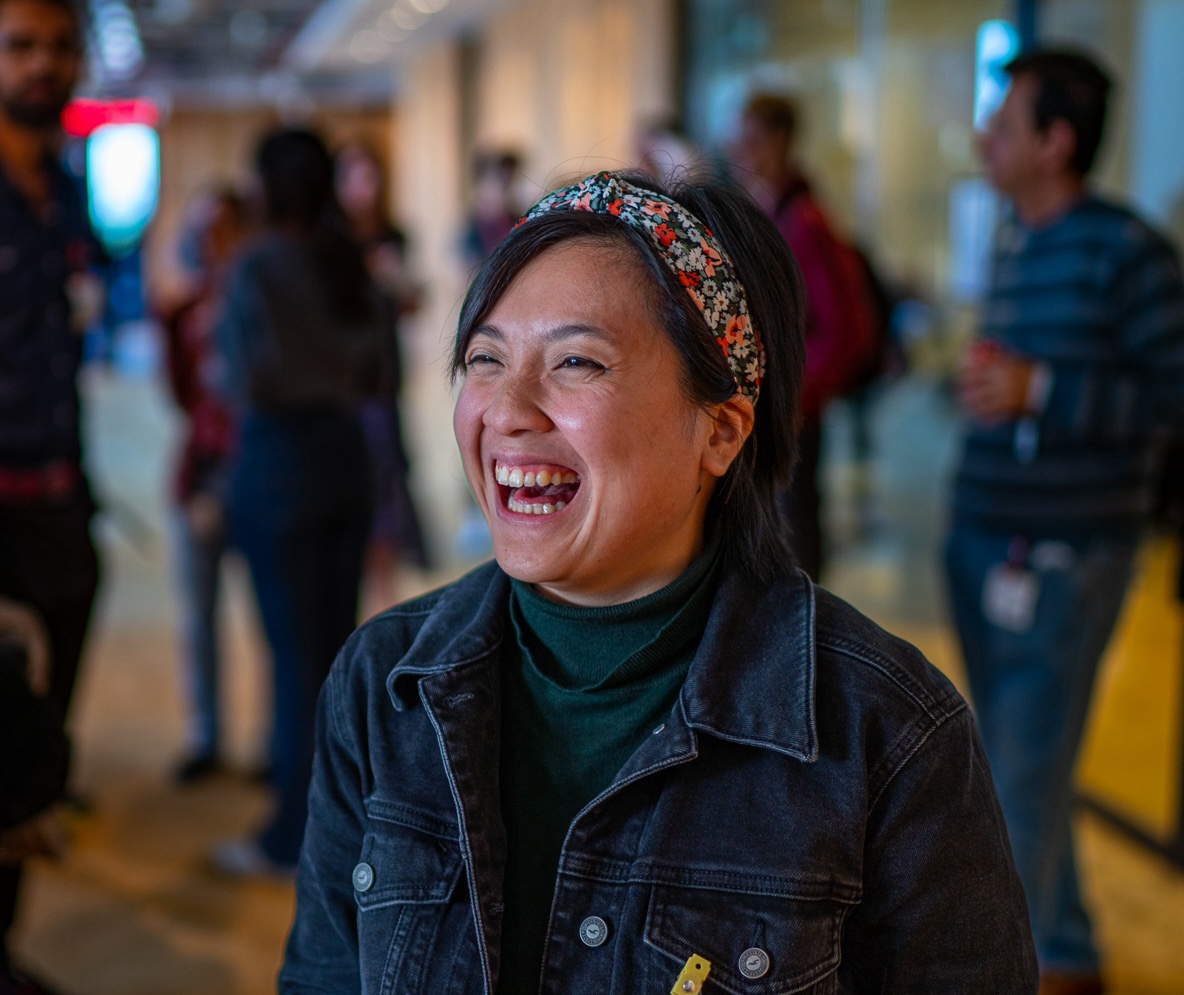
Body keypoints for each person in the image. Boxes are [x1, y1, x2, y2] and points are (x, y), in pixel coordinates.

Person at [280, 170, 1037, 993]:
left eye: (576, 361)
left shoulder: (887, 733)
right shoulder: (384, 685)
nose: (507, 409)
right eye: (485, 358)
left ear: (720, 430)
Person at [945, 50, 1184, 995]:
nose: (984, 139)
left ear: (1057, 141)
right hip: (984, 538)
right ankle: (1072, 951)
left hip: (1070, 552)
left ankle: (1001, 971)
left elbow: (1174, 399)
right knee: (1018, 767)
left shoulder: (1126, 250)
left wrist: (1041, 388)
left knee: (1015, 783)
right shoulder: (1019, 242)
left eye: (1004, 124)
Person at [210, 128, 387, 877]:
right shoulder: (349, 258)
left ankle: (291, 836)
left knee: (293, 658)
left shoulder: (255, 263)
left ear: (267, 186)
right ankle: (333, 822)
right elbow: (384, 371)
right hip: (347, 457)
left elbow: (241, 379)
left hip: (278, 461)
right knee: (333, 655)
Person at [0, 0, 99, 989]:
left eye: (61, 47)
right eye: (20, 45)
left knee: (34, 766)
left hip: (62, 505)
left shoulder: (63, 193)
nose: (44, 64)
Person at [730, 93, 876, 580]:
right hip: (767, 405)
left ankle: (804, 645)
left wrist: (796, 392)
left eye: (752, 140)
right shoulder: (770, 213)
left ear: (780, 142)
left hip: (790, 410)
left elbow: (847, 330)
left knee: (792, 536)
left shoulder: (804, 222)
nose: (741, 152)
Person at [158, 187, 248, 783]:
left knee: (272, 618)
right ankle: (205, 735)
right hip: (201, 467)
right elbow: (184, 395)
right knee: (198, 613)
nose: (206, 241)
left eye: (218, 227)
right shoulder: (185, 310)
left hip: (253, 469)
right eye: (199, 229)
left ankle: (278, 747)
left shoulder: (257, 303)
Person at [335, 141, 430, 617]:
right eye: (356, 176)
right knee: (353, 491)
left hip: (385, 378)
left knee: (389, 489)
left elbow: (411, 302)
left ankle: (382, 593)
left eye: (372, 176)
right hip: (344, 387)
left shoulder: (393, 234)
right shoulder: (331, 244)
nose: (365, 188)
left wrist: (401, 287)